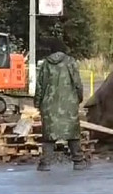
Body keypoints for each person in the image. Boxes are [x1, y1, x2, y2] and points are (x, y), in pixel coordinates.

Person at [34, 37, 88, 171]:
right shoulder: (70, 62)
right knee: (72, 133)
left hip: (49, 105)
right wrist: (78, 99)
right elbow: (77, 83)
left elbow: (40, 86)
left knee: (49, 135)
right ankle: (78, 161)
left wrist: (37, 103)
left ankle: (45, 163)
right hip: (69, 104)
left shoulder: (46, 64)